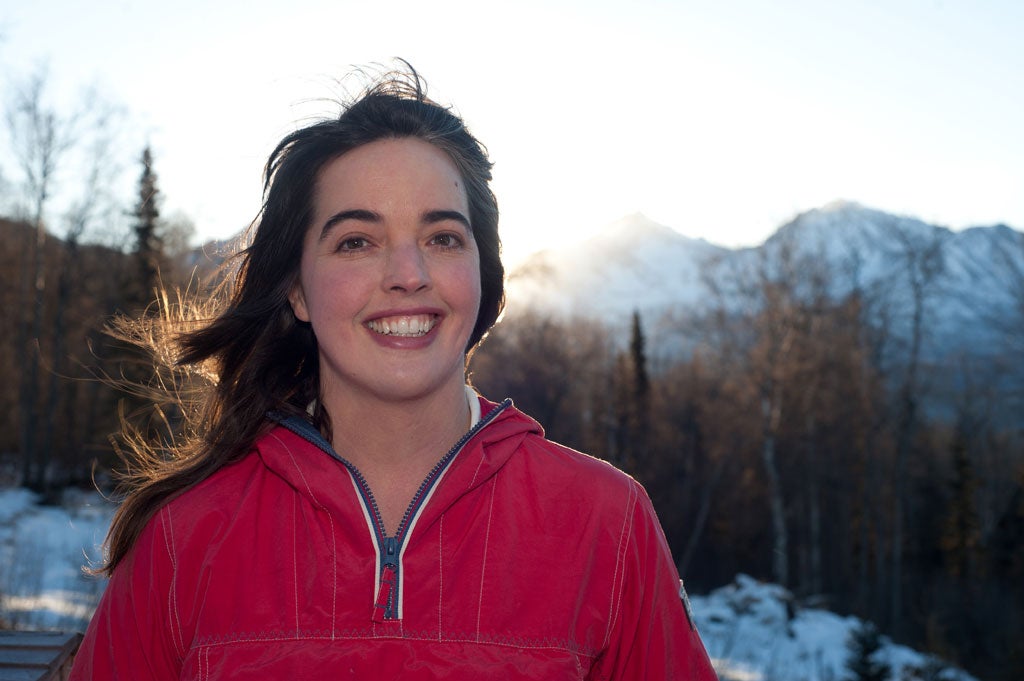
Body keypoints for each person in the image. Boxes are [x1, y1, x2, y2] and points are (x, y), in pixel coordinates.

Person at [71, 64, 717, 680]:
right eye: (357, 240)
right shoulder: (184, 537)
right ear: (297, 288)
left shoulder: (607, 519)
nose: (408, 273)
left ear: (483, 276)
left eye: (442, 237)